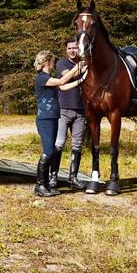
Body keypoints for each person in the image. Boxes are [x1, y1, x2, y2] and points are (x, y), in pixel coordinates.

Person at [33, 50, 84, 197]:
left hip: (53, 118)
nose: (54, 64)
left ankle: (46, 185)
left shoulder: (49, 78)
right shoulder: (42, 78)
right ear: (46, 62)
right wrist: (77, 68)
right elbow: (62, 81)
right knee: (48, 151)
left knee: (52, 152)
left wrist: (81, 80)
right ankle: (40, 185)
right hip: (45, 120)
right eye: (53, 62)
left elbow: (63, 87)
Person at [53, 37, 87, 191]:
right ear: (66, 50)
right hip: (63, 109)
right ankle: (53, 176)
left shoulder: (85, 62)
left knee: (77, 145)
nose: (72, 51)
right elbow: (69, 76)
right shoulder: (61, 63)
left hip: (81, 111)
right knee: (59, 143)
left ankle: (73, 177)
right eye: (70, 48)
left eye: (75, 48)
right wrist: (82, 68)